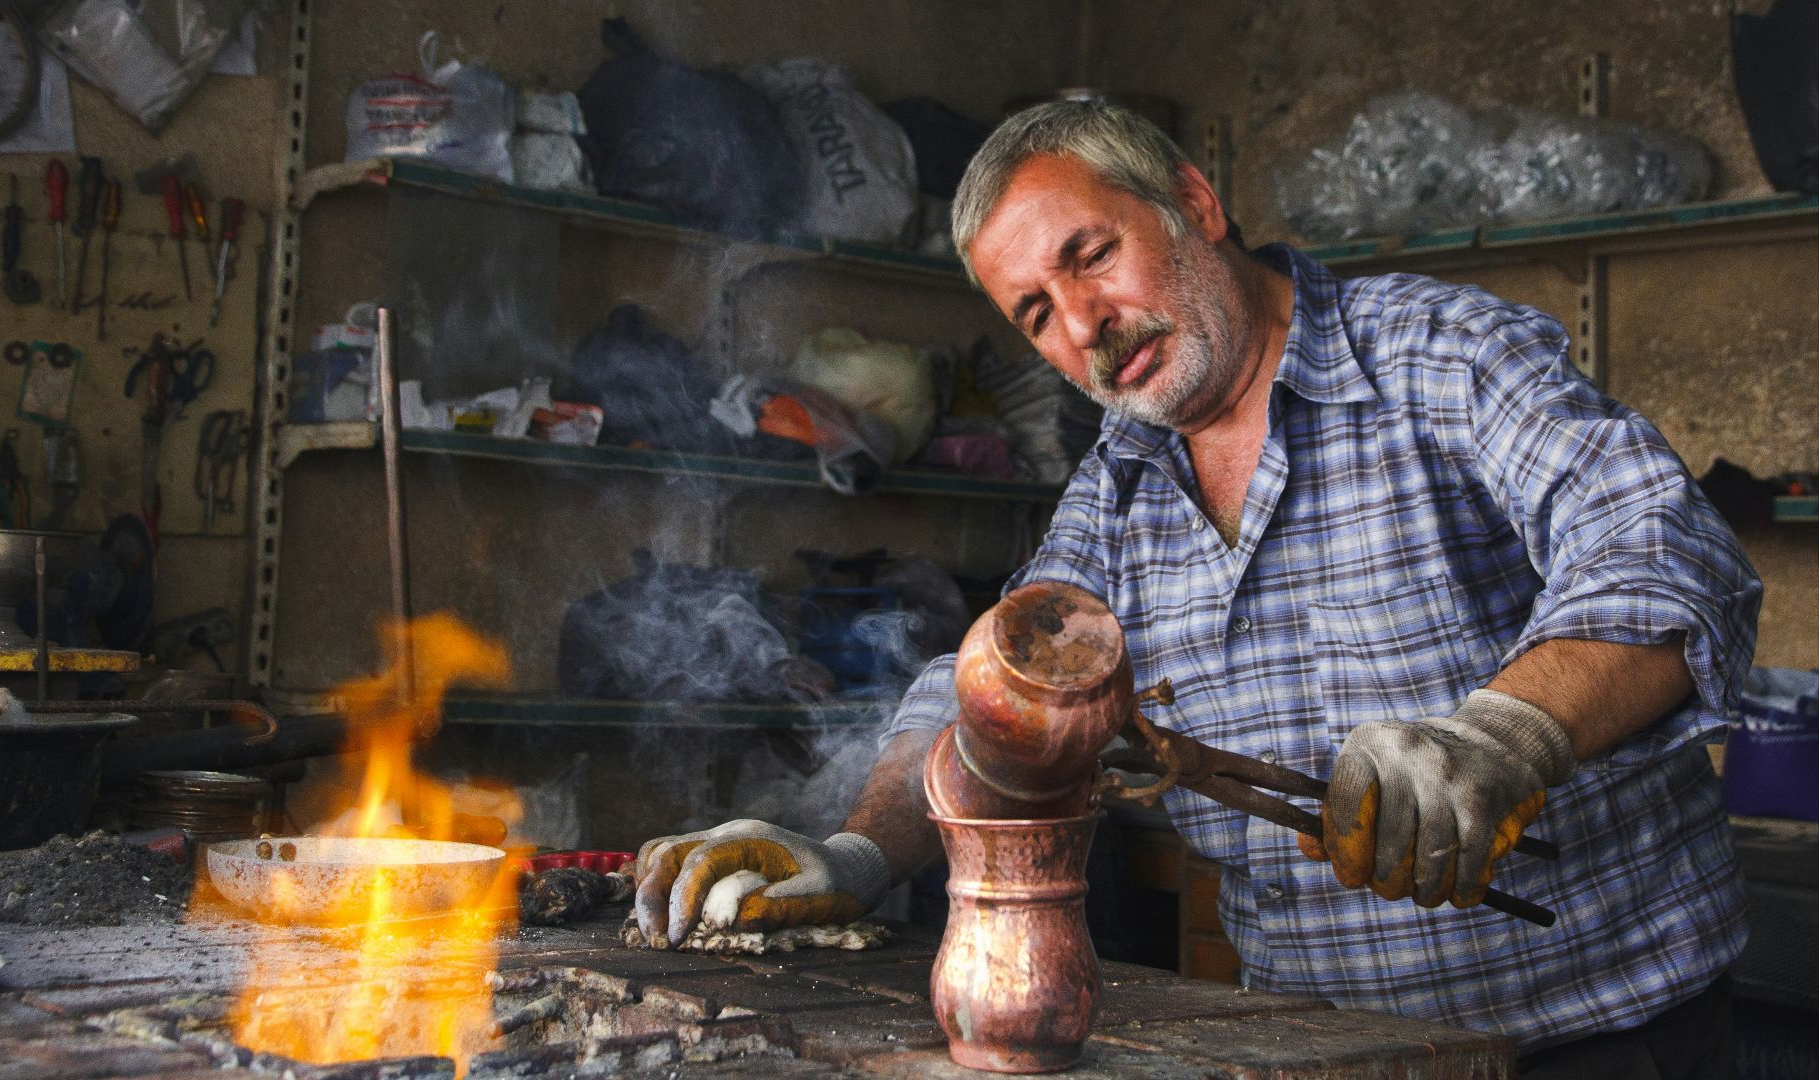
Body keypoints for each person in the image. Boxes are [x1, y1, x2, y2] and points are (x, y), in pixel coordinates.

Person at [634, 100, 1760, 1074]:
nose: (1084, 324)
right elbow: (997, 687)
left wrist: (1508, 735)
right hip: (1327, 1056)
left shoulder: (1438, 354)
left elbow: (1659, 547)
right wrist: (860, 853)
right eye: (1037, 313)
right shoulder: (1121, 485)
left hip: (1605, 1039)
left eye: (1090, 255)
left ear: (1193, 202)